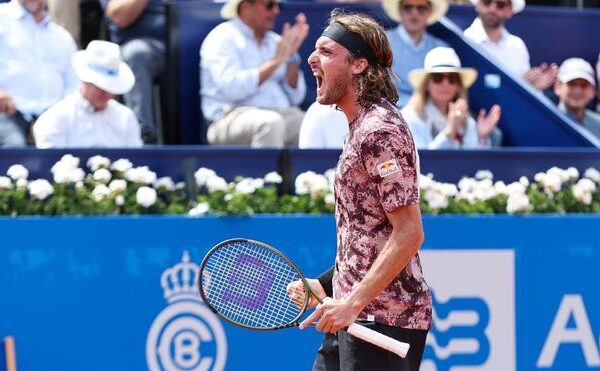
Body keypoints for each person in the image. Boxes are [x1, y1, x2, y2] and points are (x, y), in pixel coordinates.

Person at [290, 10, 431, 370]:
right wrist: (325, 285)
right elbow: (367, 233)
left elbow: (409, 232)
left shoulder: (378, 131)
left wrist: (352, 301)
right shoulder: (361, 126)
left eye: (326, 50)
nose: (311, 57)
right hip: (352, 316)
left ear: (358, 65)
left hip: (385, 323)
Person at [200, 0, 308, 148]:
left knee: (313, 122)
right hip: (228, 117)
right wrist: (276, 61)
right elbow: (232, 88)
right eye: (269, 5)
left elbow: (296, 97)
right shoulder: (222, 37)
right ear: (245, 6)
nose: (275, 11)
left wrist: (292, 55)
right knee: (270, 124)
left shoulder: (275, 41)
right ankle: (268, 172)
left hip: (280, 113)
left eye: (278, 6)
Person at [33, 40, 143, 148]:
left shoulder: (125, 117)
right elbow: (50, 160)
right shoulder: (56, 116)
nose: (106, 93)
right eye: (100, 87)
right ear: (85, 80)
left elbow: (137, 158)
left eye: (110, 87)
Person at [0, 0, 78, 147]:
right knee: (14, 150)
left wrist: (63, 113)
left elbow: (74, 86)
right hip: (7, 114)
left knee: (71, 159)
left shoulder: (62, 36)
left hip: (54, 119)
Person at [401, 47, 501, 148]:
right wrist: (449, 132)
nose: (445, 84)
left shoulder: (467, 121)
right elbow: (422, 160)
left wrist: (479, 136)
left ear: (458, 86)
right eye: (438, 78)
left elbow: (472, 161)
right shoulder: (410, 118)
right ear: (426, 84)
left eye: (452, 79)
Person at [100, 0, 165, 144]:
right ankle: (141, 137)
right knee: (137, 53)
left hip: (186, 40)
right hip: (143, 46)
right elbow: (119, 16)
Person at [464, 0, 558, 91]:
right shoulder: (464, 41)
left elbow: (522, 92)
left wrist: (533, 86)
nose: (492, 8)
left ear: (510, 11)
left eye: (500, 5)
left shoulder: (517, 45)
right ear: (478, 4)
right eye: (487, 2)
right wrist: (520, 84)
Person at [382, 0, 449, 107]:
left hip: (430, 114)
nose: (414, 13)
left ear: (429, 12)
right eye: (408, 7)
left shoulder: (441, 47)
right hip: (391, 112)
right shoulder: (382, 42)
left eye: (421, 8)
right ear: (400, 10)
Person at [554, 58, 600, 140]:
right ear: (558, 87)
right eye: (571, 84)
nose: (578, 91)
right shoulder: (545, 122)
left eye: (584, 85)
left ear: (593, 91)